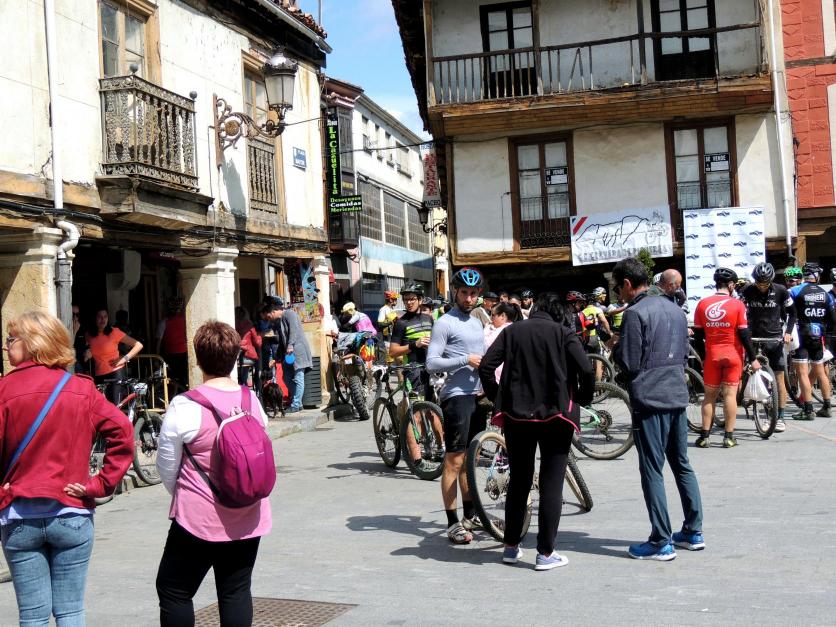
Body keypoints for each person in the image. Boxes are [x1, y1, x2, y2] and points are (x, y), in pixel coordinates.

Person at [0, 311, 133, 626]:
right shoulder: (81, 388)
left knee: (32, 615)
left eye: (11, 339)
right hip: (71, 510)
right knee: (71, 611)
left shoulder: (4, 390)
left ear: (32, 342)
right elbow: (123, 431)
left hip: (19, 514)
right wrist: (100, 484)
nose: (6, 345)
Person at [156, 321, 272, 626]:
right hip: (248, 512)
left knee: (174, 589)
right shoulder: (250, 400)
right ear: (235, 358)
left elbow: (167, 466)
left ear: (197, 358)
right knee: (235, 590)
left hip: (199, 518)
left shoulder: (184, 405)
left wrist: (187, 494)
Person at [480, 293, 594, 570]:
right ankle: (545, 553)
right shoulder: (564, 333)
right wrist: (583, 397)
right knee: (551, 482)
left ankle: (510, 546)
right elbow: (587, 370)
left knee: (519, 480)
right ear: (559, 313)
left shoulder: (512, 332)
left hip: (516, 416)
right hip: (557, 416)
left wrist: (498, 397)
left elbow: (486, 366)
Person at [611, 257, 703, 562]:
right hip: (677, 393)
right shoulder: (675, 309)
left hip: (650, 399)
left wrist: (615, 347)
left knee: (652, 468)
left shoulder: (635, 313)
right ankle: (693, 530)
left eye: (618, 288)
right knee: (681, 463)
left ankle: (661, 539)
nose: (618, 294)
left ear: (627, 284)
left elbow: (629, 363)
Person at [426, 267, 487, 545]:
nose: (469, 298)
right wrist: (465, 359)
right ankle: (452, 522)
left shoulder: (476, 322)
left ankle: (470, 515)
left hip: (478, 396)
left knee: (470, 461)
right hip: (456, 396)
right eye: (464, 293)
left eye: (473, 293)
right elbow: (432, 363)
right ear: (455, 291)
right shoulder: (444, 323)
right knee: (454, 460)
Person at [693, 268, 760, 448]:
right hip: (733, 355)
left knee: (709, 396)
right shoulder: (738, 305)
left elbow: (698, 336)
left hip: (712, 355)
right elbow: (744, 334)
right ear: (730, 285)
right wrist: (753, 358)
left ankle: (704, 437)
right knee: (730, 395)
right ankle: (728, 437)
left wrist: (703, 357)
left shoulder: (702, 304)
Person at [740, 262, 796, 431]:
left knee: (779, 378)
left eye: (765, 284)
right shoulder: (748, 290)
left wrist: (788, 332)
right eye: (759, 283)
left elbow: (793, 313)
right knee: (755, 373)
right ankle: (758, 404)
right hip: (754, 337)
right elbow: (739, 311)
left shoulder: (781, 290)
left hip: (774, 338)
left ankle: (780, 417)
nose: (762, 286)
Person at [789, 262, 835, 419]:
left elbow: (786, 311)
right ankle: (827, 406)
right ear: (816, 276)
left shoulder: (795, 290)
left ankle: (808, 410)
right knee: (820, 371)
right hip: (818, 336)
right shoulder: (825, 294)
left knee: (802, 372)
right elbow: (832, 319)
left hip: (801, 336)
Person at [86, 308, 144, 405]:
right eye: (99, 317)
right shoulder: (89, 335)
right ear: (94, 318)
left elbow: (138, 345)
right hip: (99, 374)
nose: (103, 319)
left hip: (115, 372)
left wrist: (124, 358)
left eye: (105, 317)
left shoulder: (114, 332)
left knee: (115, 406)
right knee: (101, 406)